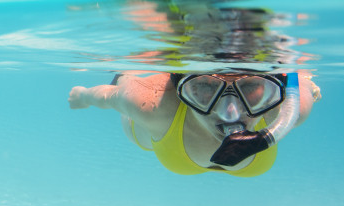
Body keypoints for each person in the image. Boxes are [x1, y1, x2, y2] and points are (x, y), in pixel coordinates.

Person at [68, 70, 321, 177]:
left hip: (178, 150)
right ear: (180, 90)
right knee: (130, 97)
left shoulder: (290, 107)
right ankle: (126, 75)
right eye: (204, 87)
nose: (230, 113)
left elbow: (299, 83)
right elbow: (110, 97)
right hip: (167, 136)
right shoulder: (151, 105)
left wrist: (307, 84)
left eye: (252, 87)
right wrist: (83, 96)